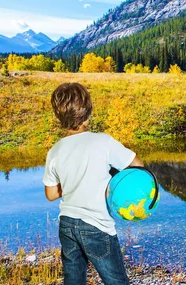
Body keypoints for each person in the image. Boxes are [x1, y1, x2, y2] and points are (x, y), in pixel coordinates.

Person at [43, 82, 143, 285]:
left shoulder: (55, 150)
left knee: (73, 280)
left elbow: (51, 194)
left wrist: (75, 180)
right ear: (88, 112)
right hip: (97, 225)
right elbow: (137, 165)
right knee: (116, 281)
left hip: (68, 224)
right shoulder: (102, 142)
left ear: (58, 116)